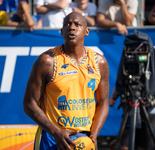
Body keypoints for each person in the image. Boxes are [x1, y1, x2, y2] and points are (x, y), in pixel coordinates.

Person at [23, 12, 109, 150]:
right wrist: (55, 131)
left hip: (84, 138)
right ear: (62, 31)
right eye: (67, 24)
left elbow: (103, 103)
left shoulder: (99, 62)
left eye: (77, 24)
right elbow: (29, 103)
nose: (72, 27)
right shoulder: (47, 61)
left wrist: (93, 136)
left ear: (87, 31)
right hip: (51, 137)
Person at [109, 31, 155, 150]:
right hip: (129, 107)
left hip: (149, 110)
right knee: (124, 146)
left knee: (145, 146)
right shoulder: (127, 65)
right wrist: (113, 98)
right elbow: (120, 82)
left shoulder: (154, 65)